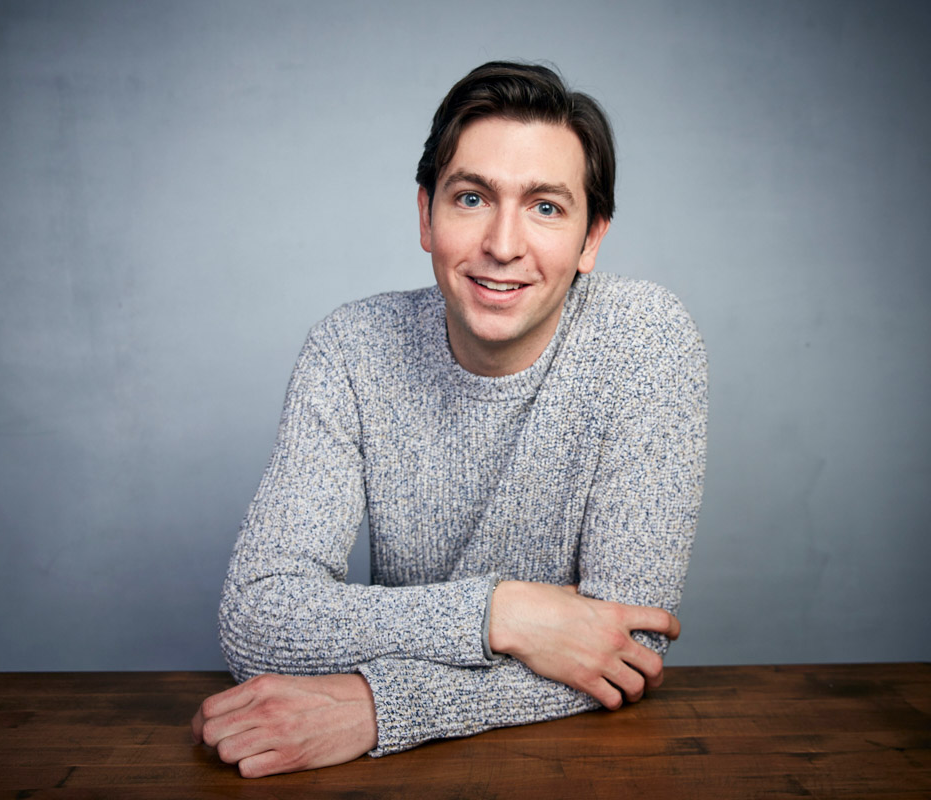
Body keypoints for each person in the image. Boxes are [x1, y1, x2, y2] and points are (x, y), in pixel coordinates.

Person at [191, 60, 708, 778]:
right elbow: (256, 619)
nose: (503, 243)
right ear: (426, 215)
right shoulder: (350, 349)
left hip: (579, 769)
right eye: (471, 197)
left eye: (547, 207)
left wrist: (380, 704)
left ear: (592, 239)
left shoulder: (645, 340)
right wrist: (505, 615)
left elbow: (627, 652)